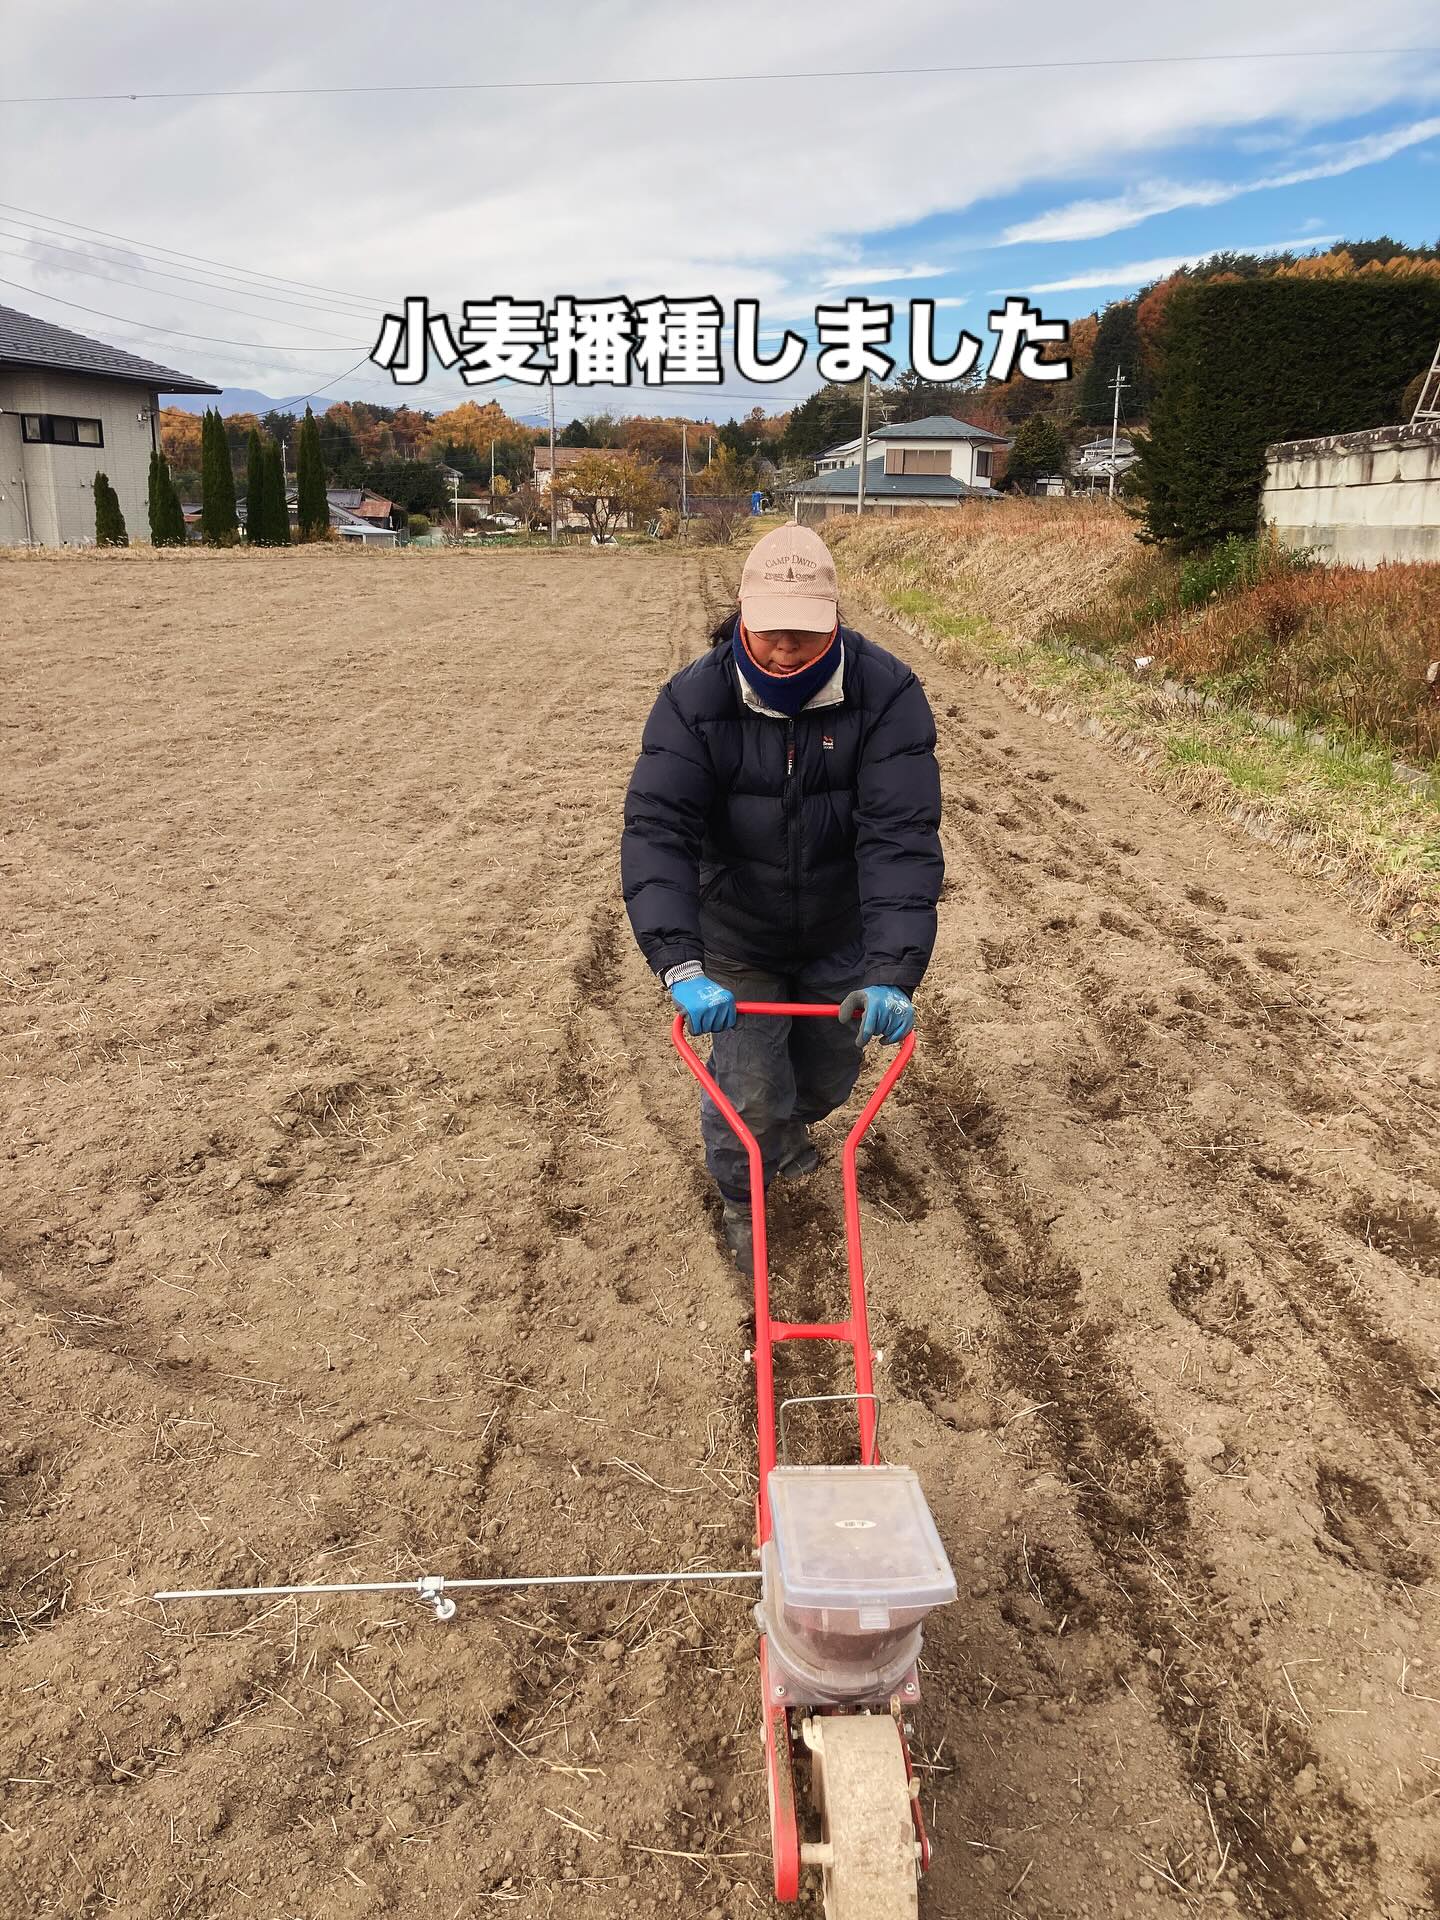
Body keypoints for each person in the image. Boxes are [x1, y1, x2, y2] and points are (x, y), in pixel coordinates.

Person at [621, 523, 943, 1270]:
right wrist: (680, 963)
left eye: (804, 631)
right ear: (742, 613)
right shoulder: (693, 702)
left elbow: (900, 839)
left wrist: (891, 973)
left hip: (841, 929)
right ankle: (743, 1201)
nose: (786, 649)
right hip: (736, 931)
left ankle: (788, 1131)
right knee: (748, 1094)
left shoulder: (887, 695)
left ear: (833, 618)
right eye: (770, 631)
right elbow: (657, 835)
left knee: (826, 1077)